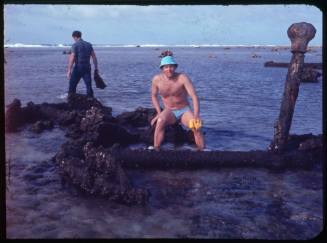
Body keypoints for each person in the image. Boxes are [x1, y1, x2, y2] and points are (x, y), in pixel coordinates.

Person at [150, 50, 205, 150]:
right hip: (169, 111)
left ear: (175, 67)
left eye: (171, 66)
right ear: (162, 68)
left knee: (196, 126)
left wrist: (196, 115)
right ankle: (156, 149)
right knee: (160, 121)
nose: (169, 69)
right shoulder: (156, 80)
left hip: (184, 110)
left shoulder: (182, 78)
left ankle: (202, 151)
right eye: (166, 67)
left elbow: (194, 96)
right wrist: (159, 112)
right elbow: (154, 96)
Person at [67, 30, 98, 98]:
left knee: (72, 84)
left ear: (75, 37)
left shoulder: (75, 45)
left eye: (73, 38)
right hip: (87, 67)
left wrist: (69, 70)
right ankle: (91, 100)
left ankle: (70, 100)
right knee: (88, 85)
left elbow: (72, 58)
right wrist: (96, 68)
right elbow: (94, 57)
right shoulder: (89, 44)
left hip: (78, 67)